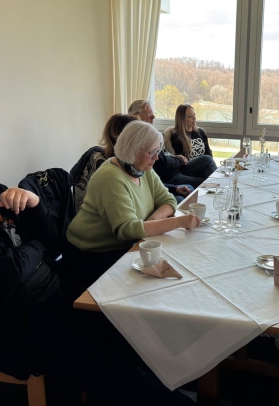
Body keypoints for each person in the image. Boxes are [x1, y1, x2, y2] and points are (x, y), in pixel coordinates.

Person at [0, 121, 194, 405]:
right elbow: (10, 271)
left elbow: (54, 241)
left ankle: (180, 384)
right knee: (105, 364)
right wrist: (35, 246)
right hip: (4, 320)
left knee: (127, 331)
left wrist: (35, 205)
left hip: (48, 292)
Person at [66, 121, 201, 287]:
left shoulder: (141, 169)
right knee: (149, 282)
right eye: (152, 152)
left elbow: (168, 200)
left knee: (169, 264)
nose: (156, 157)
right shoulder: (111, 177)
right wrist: (178, 222)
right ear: (133, 149)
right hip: (91, 253)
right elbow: (128, 230)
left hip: (124, 244)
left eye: (158, 151)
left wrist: (152, 221)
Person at [70, 113, 192, 211]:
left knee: (182, 195)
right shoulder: (107, 164)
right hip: (103, 218)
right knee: (178, 201)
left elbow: (144, 185)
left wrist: (174, 188)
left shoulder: (122, 159)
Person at [128, 100, 216, 188]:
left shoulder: (200, 132)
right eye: (149, 113)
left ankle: (216, 187)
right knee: (208, 183)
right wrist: (180, 160)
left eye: (153, 113)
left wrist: (174, 157)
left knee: (208, 164)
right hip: (173, 176)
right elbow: (163, 162)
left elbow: (164, 157)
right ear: (136, 116)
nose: (153, 116)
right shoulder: (142, 138)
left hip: (175, 172)